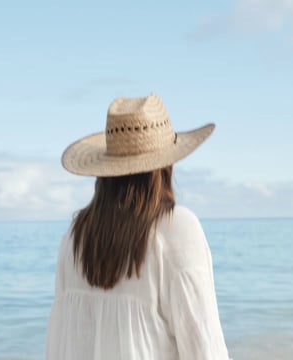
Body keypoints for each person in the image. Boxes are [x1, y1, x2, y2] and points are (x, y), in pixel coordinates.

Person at [46, 93, 230, 360]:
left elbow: (59, 346)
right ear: (166, 165)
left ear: (105, 171)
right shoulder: (176, 229)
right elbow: (205, 350)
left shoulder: (74, 238)